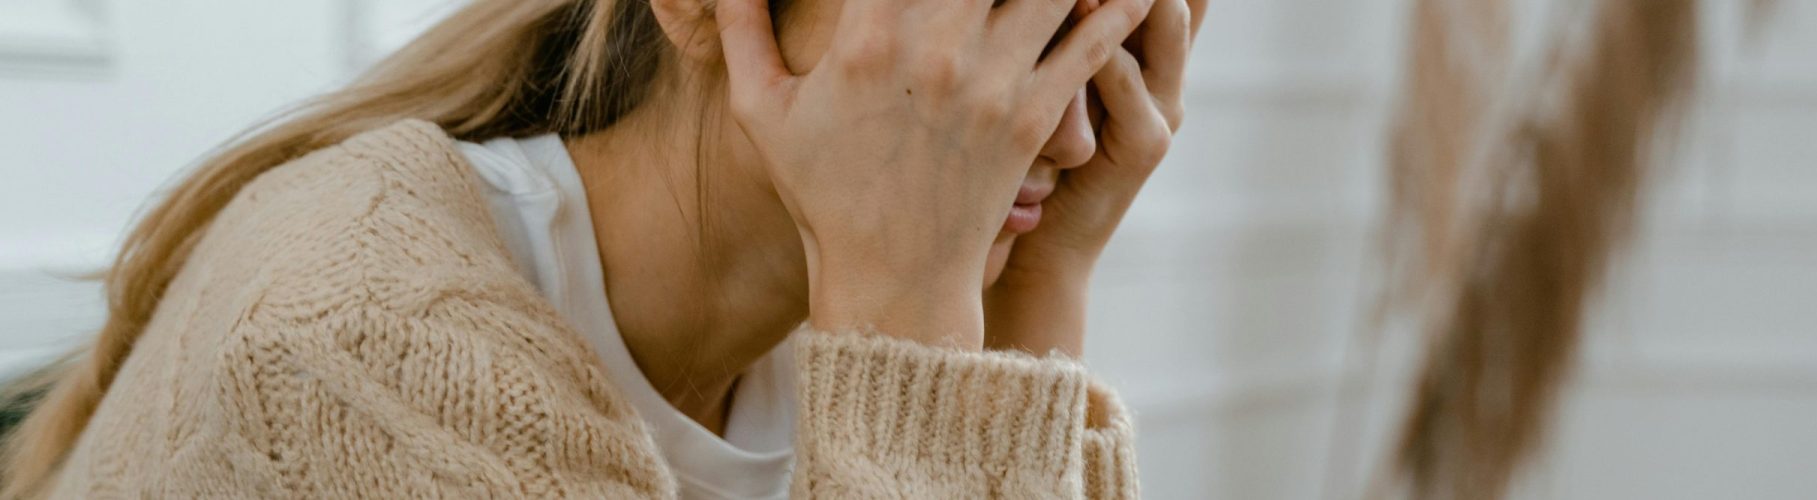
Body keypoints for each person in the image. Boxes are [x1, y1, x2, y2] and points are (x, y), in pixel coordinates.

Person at [0, 0, 1206, 497]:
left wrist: (1037, 293)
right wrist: (924, 320)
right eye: (999, 24)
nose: (1045, 119)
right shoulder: (374, 345)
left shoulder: (849, 298)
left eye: (1106, 39)